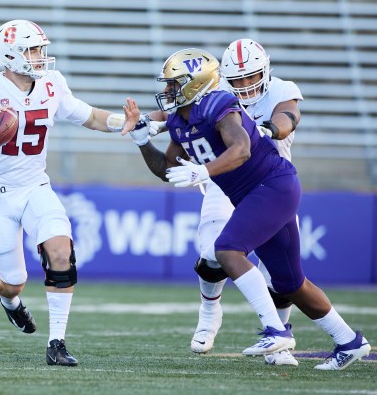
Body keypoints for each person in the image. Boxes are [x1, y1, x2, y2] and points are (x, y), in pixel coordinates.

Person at [120, 48, 371, 371]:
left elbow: (242, 149)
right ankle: (350, 342)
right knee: (290, 283)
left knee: (227, 249)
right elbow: (168, 169)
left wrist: (205, 170)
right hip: (253, 193)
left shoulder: (219, 104)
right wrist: (142, 142)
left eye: (174, 84)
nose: (167, 91)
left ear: (195, 84)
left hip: (272, 186)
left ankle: (276, 330)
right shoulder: (181, 120)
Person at [0, 19, 141, 366]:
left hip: (35, 186)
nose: (40, 57)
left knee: (61, 252)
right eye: (32, 50)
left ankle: (56, 343)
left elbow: (87, 116)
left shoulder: (52, 82)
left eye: (40, 49)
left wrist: (126, 123)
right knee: (13, 282)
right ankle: (10, 302)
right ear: (10, 55)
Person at [189, 39, 303, 365]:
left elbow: (289, 115)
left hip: (271, 185)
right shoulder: (215, 92)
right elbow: (180, 107)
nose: (244, 86)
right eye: (237, 80)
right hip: (224, 184)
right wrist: (151, 121)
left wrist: (271, 129)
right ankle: (210, 312)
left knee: (280, 274)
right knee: (211, 253)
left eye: (251, 77)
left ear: (265, 71)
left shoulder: (282, 89)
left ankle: (278, 338)